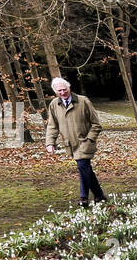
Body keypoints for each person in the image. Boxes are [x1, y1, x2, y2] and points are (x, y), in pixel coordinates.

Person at [45, 77, 107, 207]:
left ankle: (83, 197)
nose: (62, 92)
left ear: (69, 87)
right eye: (59, 91)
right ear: (55, 91)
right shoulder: (54, 105)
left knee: (82, 166)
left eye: (64, 89)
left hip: (85, 142)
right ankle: (99, 196)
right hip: (70, 144)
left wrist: (90, 139)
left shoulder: (83, 101)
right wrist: (50, 143)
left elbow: (96, 124)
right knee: (86, 169)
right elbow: (52, 126)